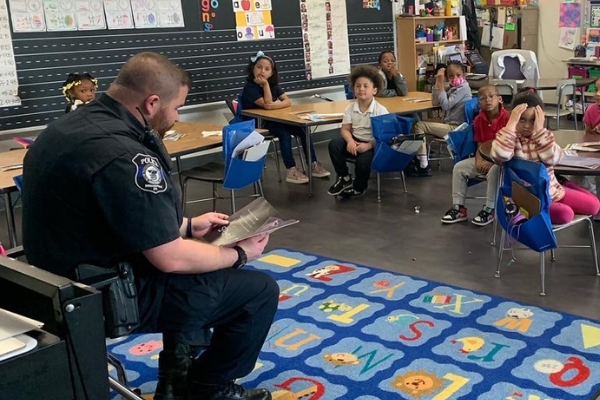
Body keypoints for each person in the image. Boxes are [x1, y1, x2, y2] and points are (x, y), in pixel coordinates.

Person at [22, 52, 278, 400]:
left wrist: (187, 226)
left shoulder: (67, 128)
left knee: (198, 267)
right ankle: (208, 387)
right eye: (176, 108)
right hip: (101, 294)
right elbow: (169, 258)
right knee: (255, 290)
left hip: (56, 282)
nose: (175, 117)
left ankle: (176, 378)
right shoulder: (124, 154)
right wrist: (238, 254)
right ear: (152, 102)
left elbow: (107, 214)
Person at [491, 88, 600, 225]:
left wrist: (539, 131)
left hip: (552, 190)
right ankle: (564, 190)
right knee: (565, 214)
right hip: (528, 197)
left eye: (532, 120)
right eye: (521, 119)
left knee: (594, 206)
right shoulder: (509, 136)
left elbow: (554, 159)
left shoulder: (543, 135)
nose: (526, 126)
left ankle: (565, 184)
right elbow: (500, 155)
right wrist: (511, 124)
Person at [240, 51, 331, 184]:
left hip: (274, 120)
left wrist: (274, 104)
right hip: (259, 124)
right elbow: (267, 104)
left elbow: (287, 101)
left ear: (271, 73)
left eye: (266, 69)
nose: (262, 71)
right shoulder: (250, 88)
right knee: (284, 134)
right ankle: (291, 170)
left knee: (303, 130)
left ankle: (313, 164)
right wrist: (265, 86)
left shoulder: (274, 86)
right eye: (259, 67)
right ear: (252, 69)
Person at [441, 85, 509, 225]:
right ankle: (459, 208)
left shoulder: (507, 118)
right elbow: (479, 144)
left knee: (495, 171)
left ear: (499, 99)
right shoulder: (478, 120)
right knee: (459, 168)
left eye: (491, 97)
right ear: (479, 102)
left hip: (502, 162)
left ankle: (490, 209)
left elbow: (508, 149)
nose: (488, 101)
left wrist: (492, 163)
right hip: (484, 158)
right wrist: (478, 162)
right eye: (483, 98)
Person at [327, 65, 389, 198]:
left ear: (374, 90)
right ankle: (345, 178)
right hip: (354, 140)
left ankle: (359, 188)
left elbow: (383, 136)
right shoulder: (350, 108)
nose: (361, 89)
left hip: (373, 144)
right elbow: (345, 129)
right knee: (334, 144)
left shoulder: (380, 110)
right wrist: (350, 141)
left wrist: (368, 145)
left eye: (366, 86)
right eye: (358, 86)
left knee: (363, 163)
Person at [410, 61, 472, 177]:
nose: (455, 78)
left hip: (456, 128)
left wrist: (442, 87)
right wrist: (438, 83)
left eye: (458, 75)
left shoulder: (463, 88)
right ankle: (420, 156)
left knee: (419, 125)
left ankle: (423, 165)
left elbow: (446, 105)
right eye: (451, 76)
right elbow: (435, 102)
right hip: (448, 123)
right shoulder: (453, 87)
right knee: (418, 123)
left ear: (464, 75)